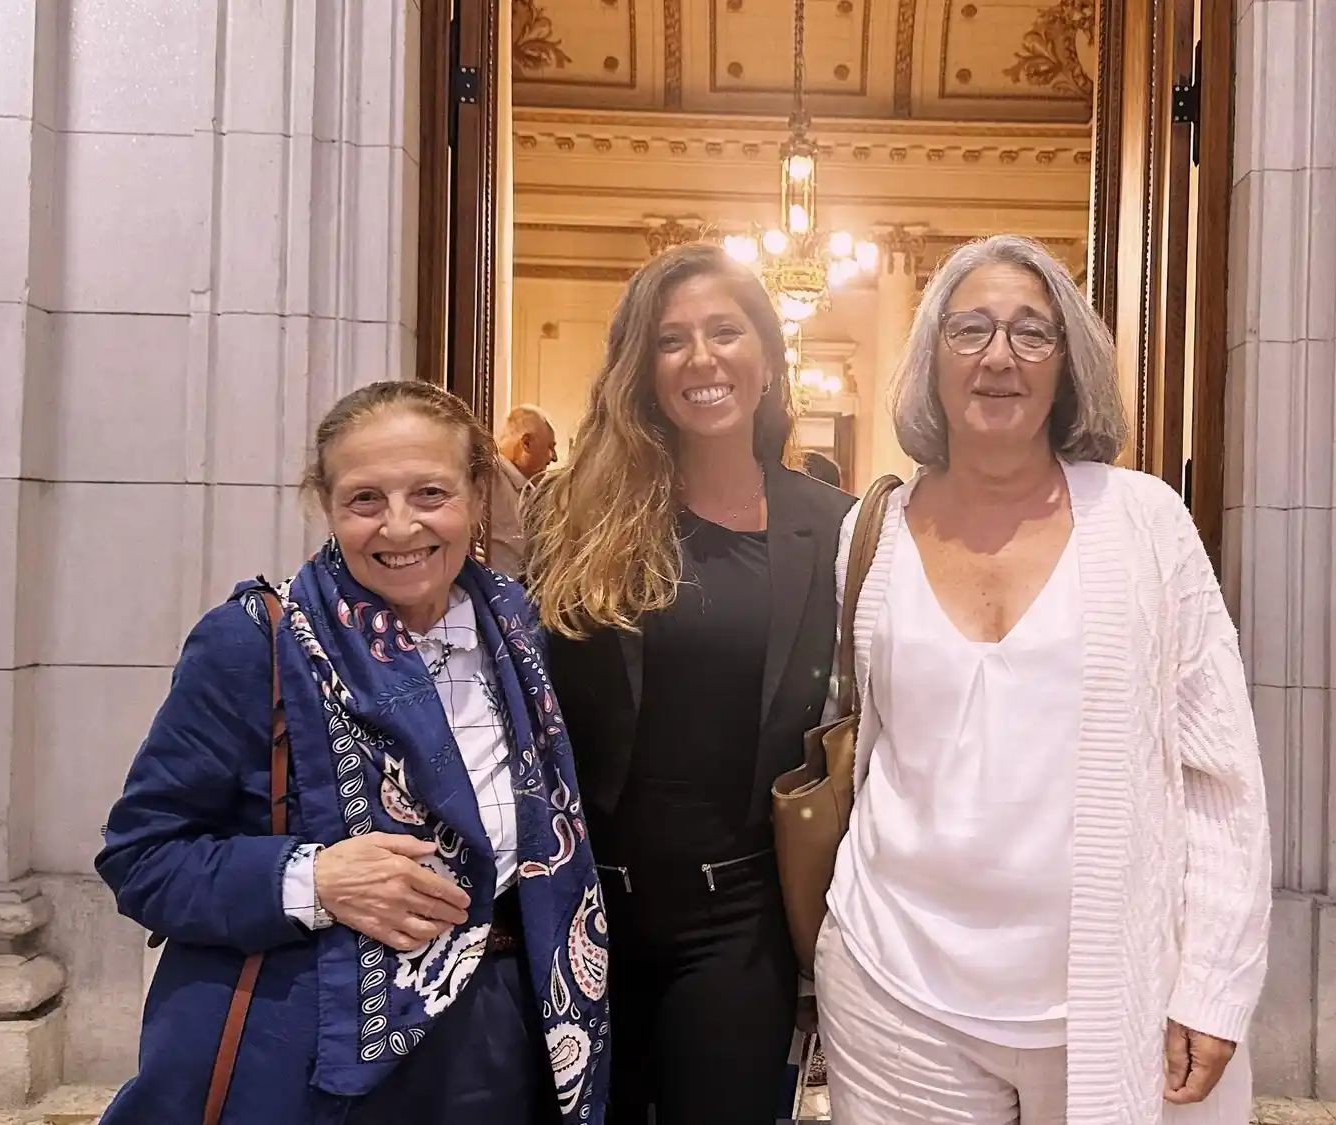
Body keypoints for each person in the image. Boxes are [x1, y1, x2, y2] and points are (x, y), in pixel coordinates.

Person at [814, 235, 1271, 1125]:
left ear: (1068, 366)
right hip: (896, 991)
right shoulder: (873, 534)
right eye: (970, 329)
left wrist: (1214, 980)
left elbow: (1219, 772)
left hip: (1114, 998)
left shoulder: (1144, 522)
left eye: (1031, 333)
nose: (998, 356)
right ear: (931, 360)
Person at [95, 382, 608, 1125]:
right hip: (312, 1051)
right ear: (325, 502)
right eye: (366, 499)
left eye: (430, 492)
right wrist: (314, 876)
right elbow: (142, 858)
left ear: (476, 492)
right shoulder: (256, 642)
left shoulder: (522, 632)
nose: (400, 527)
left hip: (498, 1042)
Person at [524, 243, 855, 1125]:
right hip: (582, 906)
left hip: (739, 919)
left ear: (768, 356)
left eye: (724, 331)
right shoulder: (575, 516)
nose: (702, 358)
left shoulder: (834, 529)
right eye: (672, 340)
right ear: (641, 366)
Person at [487, 404, 558, 576]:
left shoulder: (533, 490)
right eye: (550, 446)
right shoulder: (487, 476)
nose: (554, 457)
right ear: (526, 443)